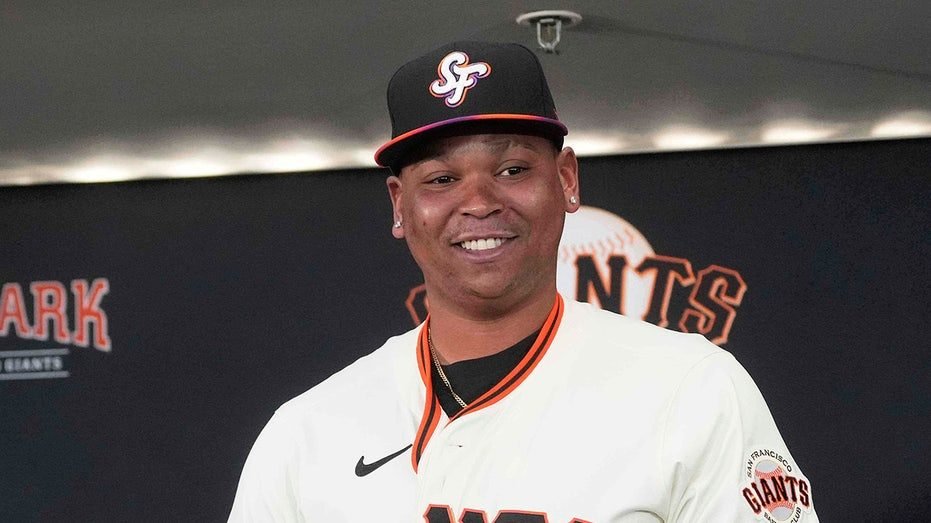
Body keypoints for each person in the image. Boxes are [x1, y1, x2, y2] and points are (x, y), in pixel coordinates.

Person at [229, 41, 818, 522]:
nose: (479, 202)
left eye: (512, 169)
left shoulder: (692, 391)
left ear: (566, 180)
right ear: (400, 205)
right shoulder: (307, 432)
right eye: (441, 179)